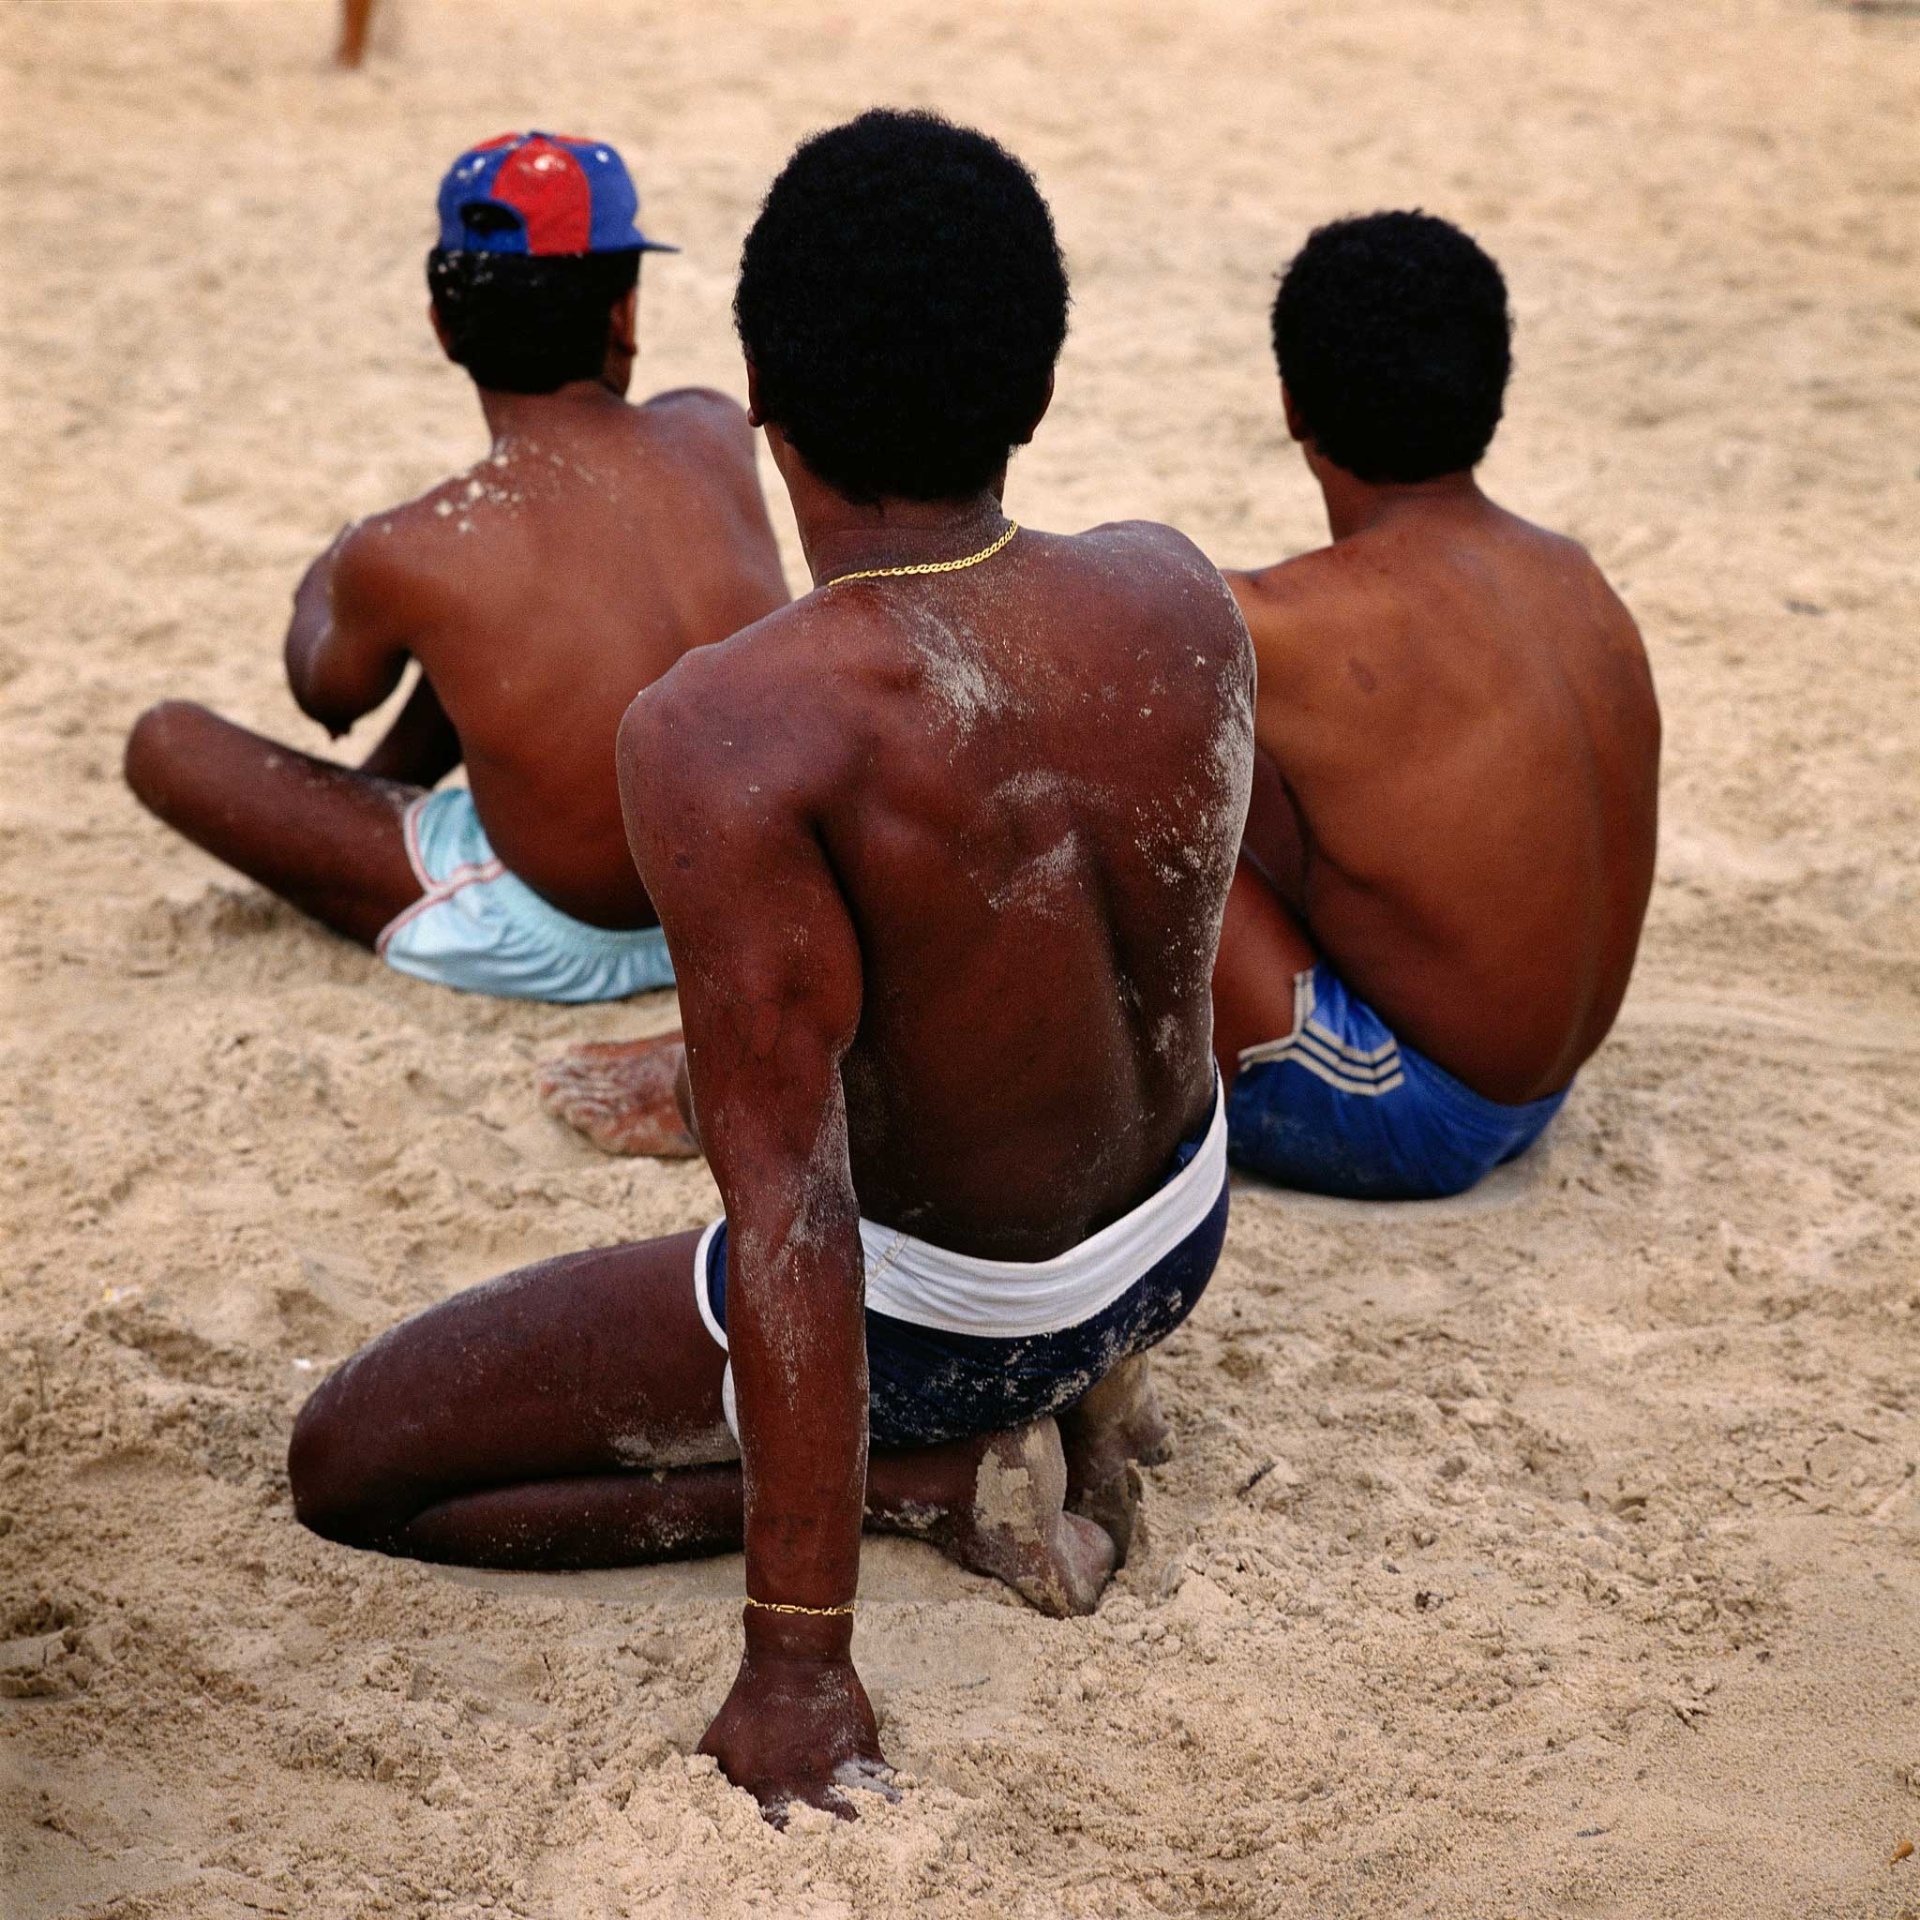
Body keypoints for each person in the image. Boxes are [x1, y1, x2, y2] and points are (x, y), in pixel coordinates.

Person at [288, 109, 1254, 1823]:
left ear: (758, 394)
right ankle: (1055, 1393)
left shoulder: (729, 728)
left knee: (355, 1466)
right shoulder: (1177, 592)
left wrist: (797, 1658)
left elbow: (793, 1213)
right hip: (1171, 1242)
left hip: (951, 1320)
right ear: (1033, 384)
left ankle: (936, 1477)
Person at [124, 132, 789, 1002]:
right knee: (509, 629)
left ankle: (368, 831)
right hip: (757, 903)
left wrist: (325, 580)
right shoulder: (709, 430)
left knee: (164, 743)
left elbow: (329, 695)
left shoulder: (414, 545)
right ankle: (380, 805)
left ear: (443, 328)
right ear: (623, 314)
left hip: (576, 934)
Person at [1210, 212, 1660, 1200]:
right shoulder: (1572, 574)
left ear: (1292, 405)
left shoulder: (1284, 624)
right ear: (1490, 389)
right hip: (1544, 1084)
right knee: (1244, 773)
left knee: (1108, 817)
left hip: (1408, 1109)